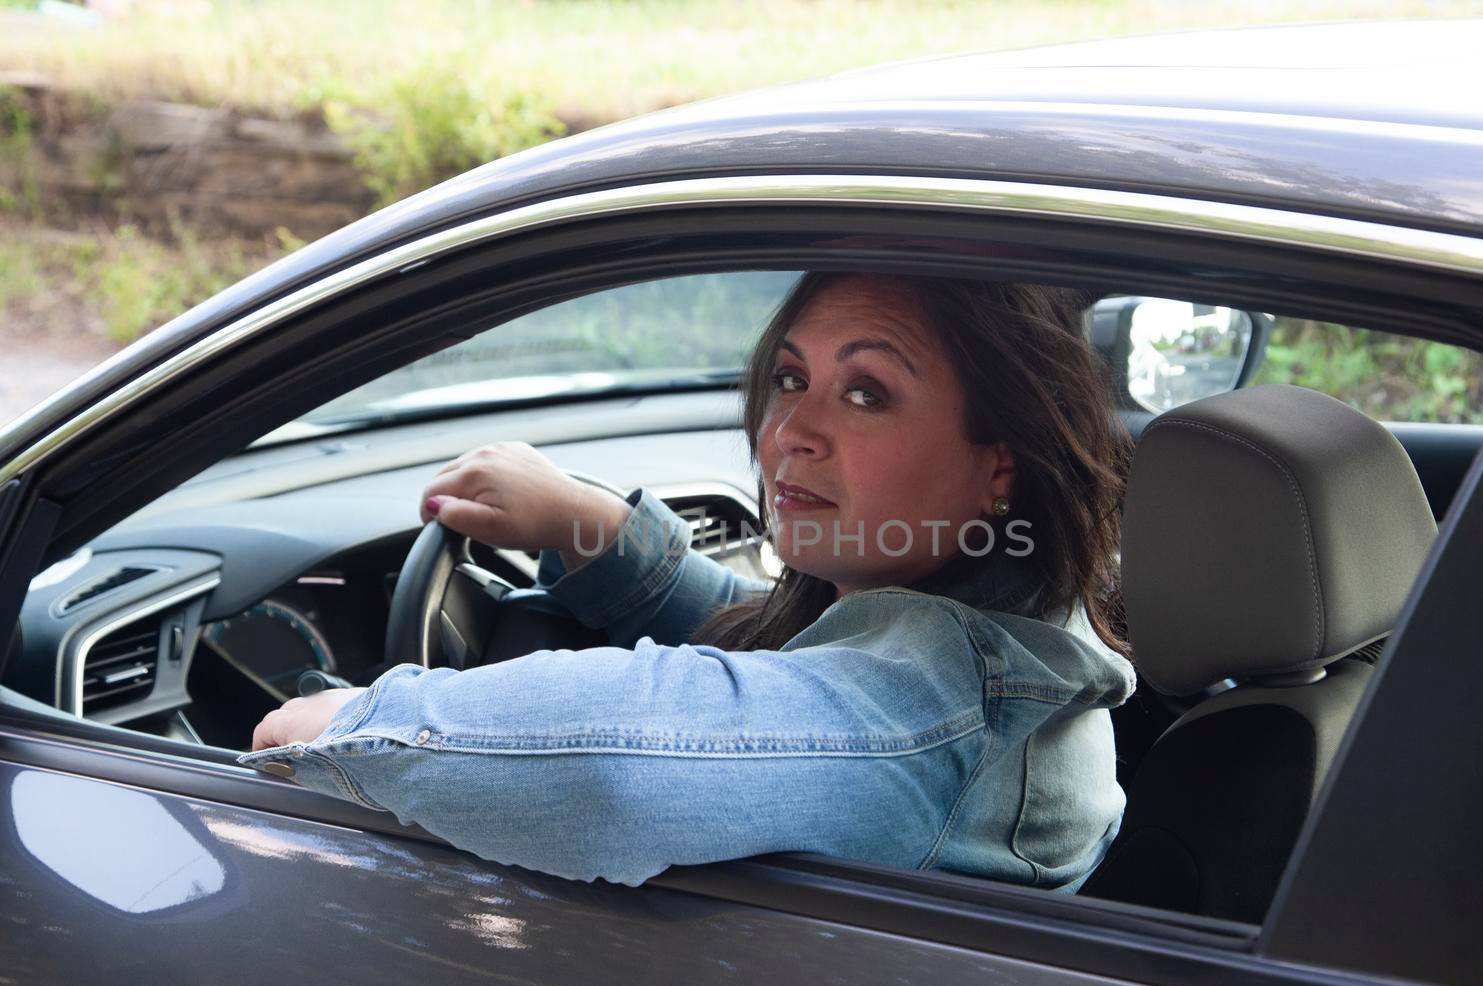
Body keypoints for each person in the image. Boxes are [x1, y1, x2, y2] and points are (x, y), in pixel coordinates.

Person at [241, 272, 1136, 889]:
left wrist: (358, 725)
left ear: (1000, 467)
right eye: (790, 376)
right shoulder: (992, 615)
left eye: (867, 393)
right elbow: (777, 658)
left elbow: (618, 766)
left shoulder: (945, 704)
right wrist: (597, 529)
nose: (790, 431)